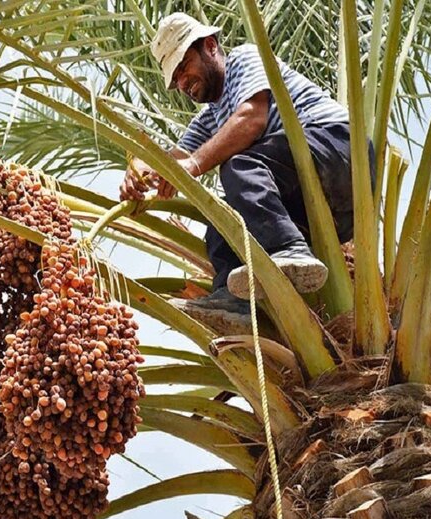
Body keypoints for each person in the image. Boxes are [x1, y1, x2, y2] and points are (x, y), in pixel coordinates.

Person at [120, 13, 374, 331]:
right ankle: (233, 297)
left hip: (341, 152)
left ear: (210, 46)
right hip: (333, 215)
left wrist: (195, 165)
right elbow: (175, 158)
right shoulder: (210, 118)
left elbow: (252, 118)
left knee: (240, 166)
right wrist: (142, 168)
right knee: (222, 223)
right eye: (176, 80)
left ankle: (289, 250)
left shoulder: (244, 59)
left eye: (184, 67)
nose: (182, 83)